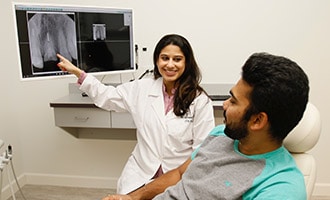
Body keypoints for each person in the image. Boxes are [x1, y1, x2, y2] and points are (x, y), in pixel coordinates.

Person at [102, 52, 309, 200]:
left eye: (234, 101)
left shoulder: (280, 187)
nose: (225, 105)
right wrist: (132, 198)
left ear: (257, 121)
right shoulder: (220, 135)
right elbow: (179, 174)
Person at [56, 34, 215, 194]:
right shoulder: (142, 88)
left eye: (177, 59)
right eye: (164, 58)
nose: (170, 65)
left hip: (177, 177)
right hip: (141, 171)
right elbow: (107, 96)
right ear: (157, 60)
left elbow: (201, 151)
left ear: (187, 62)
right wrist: (78, 73)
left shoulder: (199, 100)